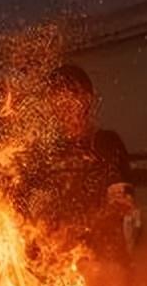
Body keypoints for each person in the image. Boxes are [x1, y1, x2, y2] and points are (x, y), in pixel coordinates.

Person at [19, 64, 135, 260]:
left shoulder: (106, 144)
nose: (63, 105)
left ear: (86, 98)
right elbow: (29, 206)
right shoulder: (46, 152)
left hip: (103, 263)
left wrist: (78, 229)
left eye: (71, 96)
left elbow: (122, 205)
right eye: (56, 97)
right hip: (58, 266)